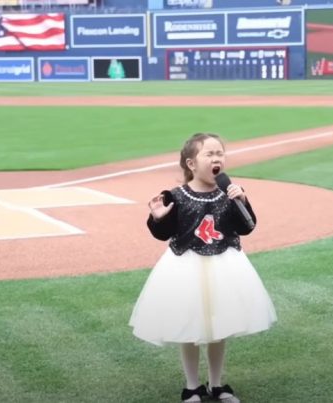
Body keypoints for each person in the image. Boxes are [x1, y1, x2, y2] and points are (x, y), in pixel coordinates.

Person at [130, 133, 277, 403]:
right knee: (189, 326)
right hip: (186, 267)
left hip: (225, 267)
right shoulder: (175, 196)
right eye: (208, 154)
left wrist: (242, 201)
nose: (216, 158)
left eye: (219, 153)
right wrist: (157, 218)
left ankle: (217, 384)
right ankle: (192, 386)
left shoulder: (230, 193)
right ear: (191, 163)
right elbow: (163, 233)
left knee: (218, 327)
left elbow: (248, 226)